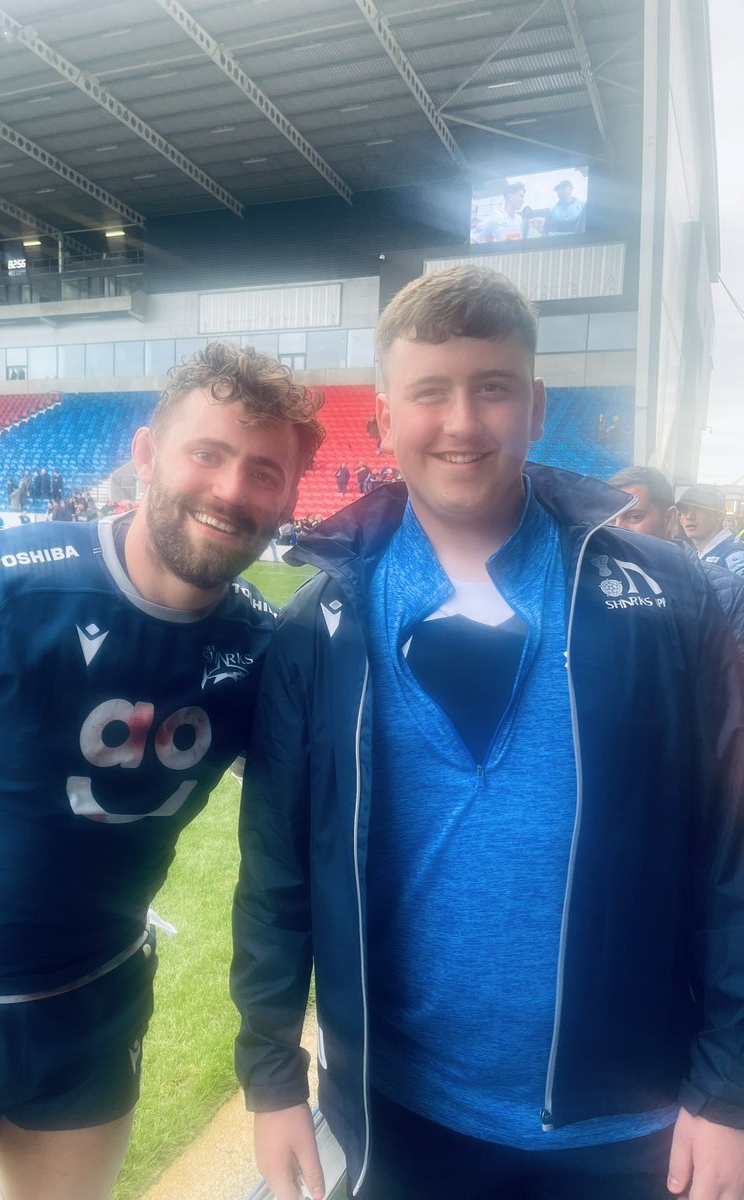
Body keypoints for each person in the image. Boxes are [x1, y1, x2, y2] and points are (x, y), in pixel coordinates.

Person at [231, 266, 744, 1200]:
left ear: (537, 404)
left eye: (492, 387)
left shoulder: (669, 595)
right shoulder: (319, 626)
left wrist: (731, 1088)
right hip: (404, 1116)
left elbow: (733, 851)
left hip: (638, 1123)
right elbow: (276, 875)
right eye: (430, 391)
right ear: (383, 421)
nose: (462, 422)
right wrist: (271, 1080)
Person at [0, 342, 323, 1200]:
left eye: (263, 471)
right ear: (144, 456)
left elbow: (313, 829)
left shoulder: (263, 646)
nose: (229, 490)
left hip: (94, 1001)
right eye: (206, 454)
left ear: (290, 494)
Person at [610, 464, 744, 654]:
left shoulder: (731, 581)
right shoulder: (590, 585)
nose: (617, 529)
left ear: (669, 518)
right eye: (609, 519)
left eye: (635, 517)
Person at [677, 484, 744, 576]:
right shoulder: (695, 555)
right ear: (680, 519)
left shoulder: (735, 556)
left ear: (720, 514)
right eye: (684, 510)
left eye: (698, 509)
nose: (689, 516)